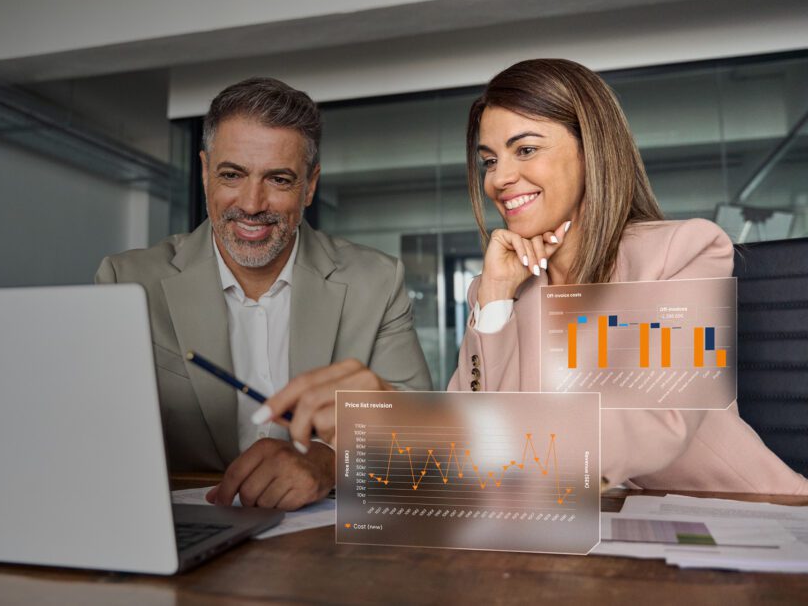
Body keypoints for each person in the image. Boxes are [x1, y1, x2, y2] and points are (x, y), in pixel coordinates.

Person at [257, 59, 808, 495]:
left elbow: (656, 423)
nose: (500, 178)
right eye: (489, 160)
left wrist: (429, 429)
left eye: (525, 149)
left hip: (738, 517)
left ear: (592, 151)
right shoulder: (499, 286)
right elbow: (474, 460)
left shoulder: (683, 252)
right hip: (589, 529)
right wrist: (494, 300)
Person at [95, 77, 431, 510]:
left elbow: (420, 439)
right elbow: (95, 436)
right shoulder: (126, 282)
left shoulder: (378, 281)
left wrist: (329, 464)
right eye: (232, 175)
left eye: (278, 179)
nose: (252, 204)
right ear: (203, 172)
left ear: (310, 185)